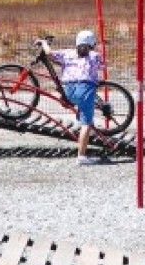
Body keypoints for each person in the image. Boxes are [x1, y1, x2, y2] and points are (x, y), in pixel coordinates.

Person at [38, 30, 105, 165]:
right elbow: (102, 67)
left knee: (80, 105)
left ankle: (77, 113)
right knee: (87, 124)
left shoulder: (67, 53)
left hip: (69, 91)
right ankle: (81, 156)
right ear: (92, 43)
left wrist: (44, 43)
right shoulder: (95, 55)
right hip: (85, 90)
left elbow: (50, 54)